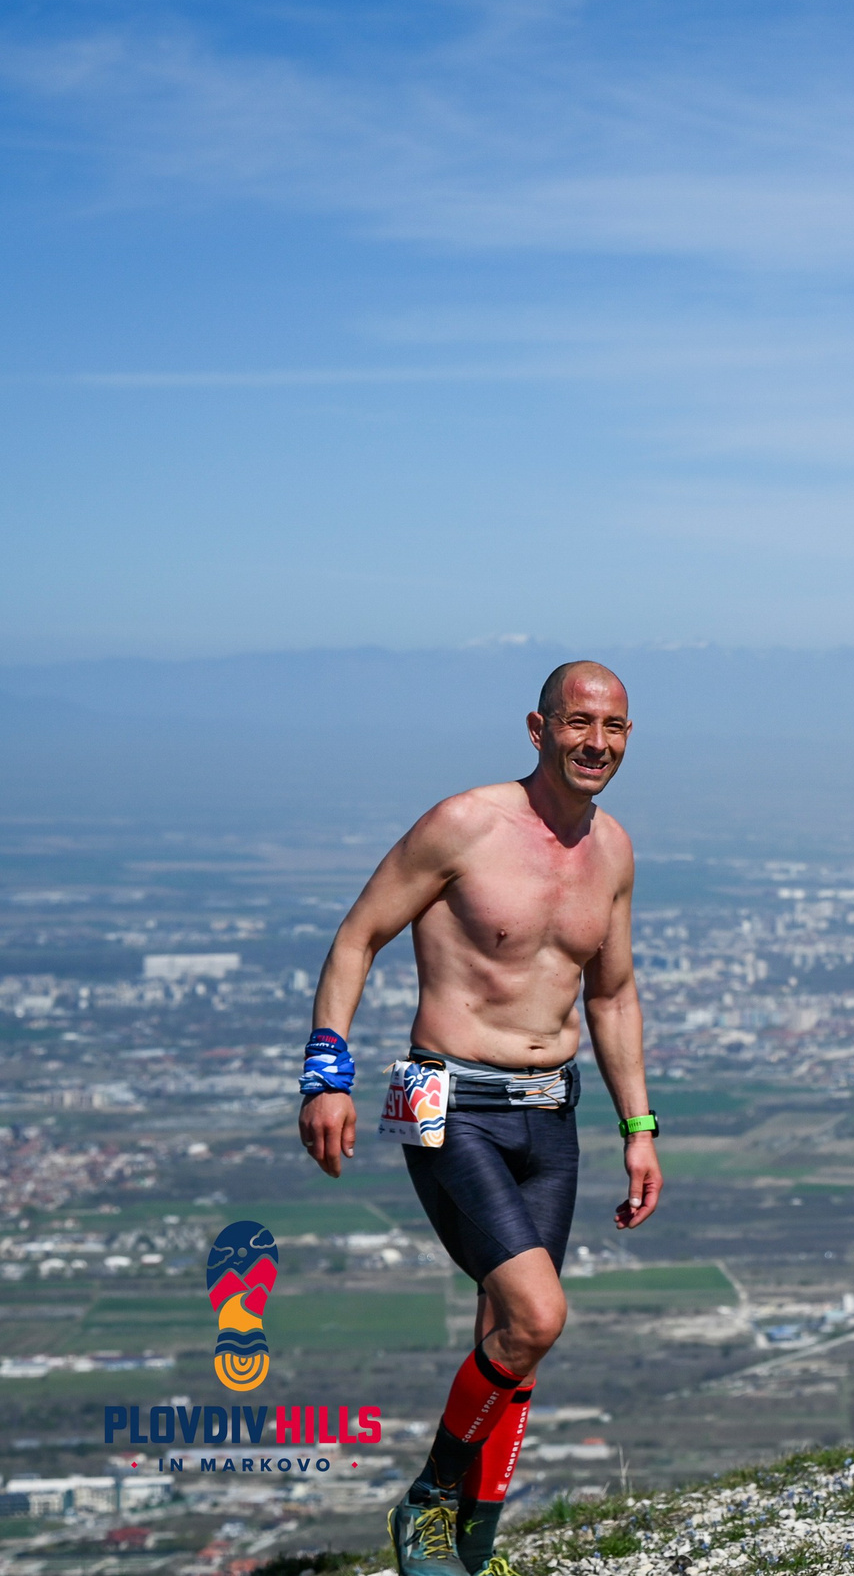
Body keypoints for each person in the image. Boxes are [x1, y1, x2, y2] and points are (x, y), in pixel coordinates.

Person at [294, 662, 663, 1576]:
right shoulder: (465, 824)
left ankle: (473, 1545)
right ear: (537, 727)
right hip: (444, 1094)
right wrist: (325, 1073)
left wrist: (639, 1125)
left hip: (552, 1112)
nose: (598, 743)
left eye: (614, 727)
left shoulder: (612, 849)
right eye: (579, 722)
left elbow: (612, 995)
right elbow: (358, 935)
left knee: (510, 1337)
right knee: (538, 1314)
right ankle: (426, 1500)